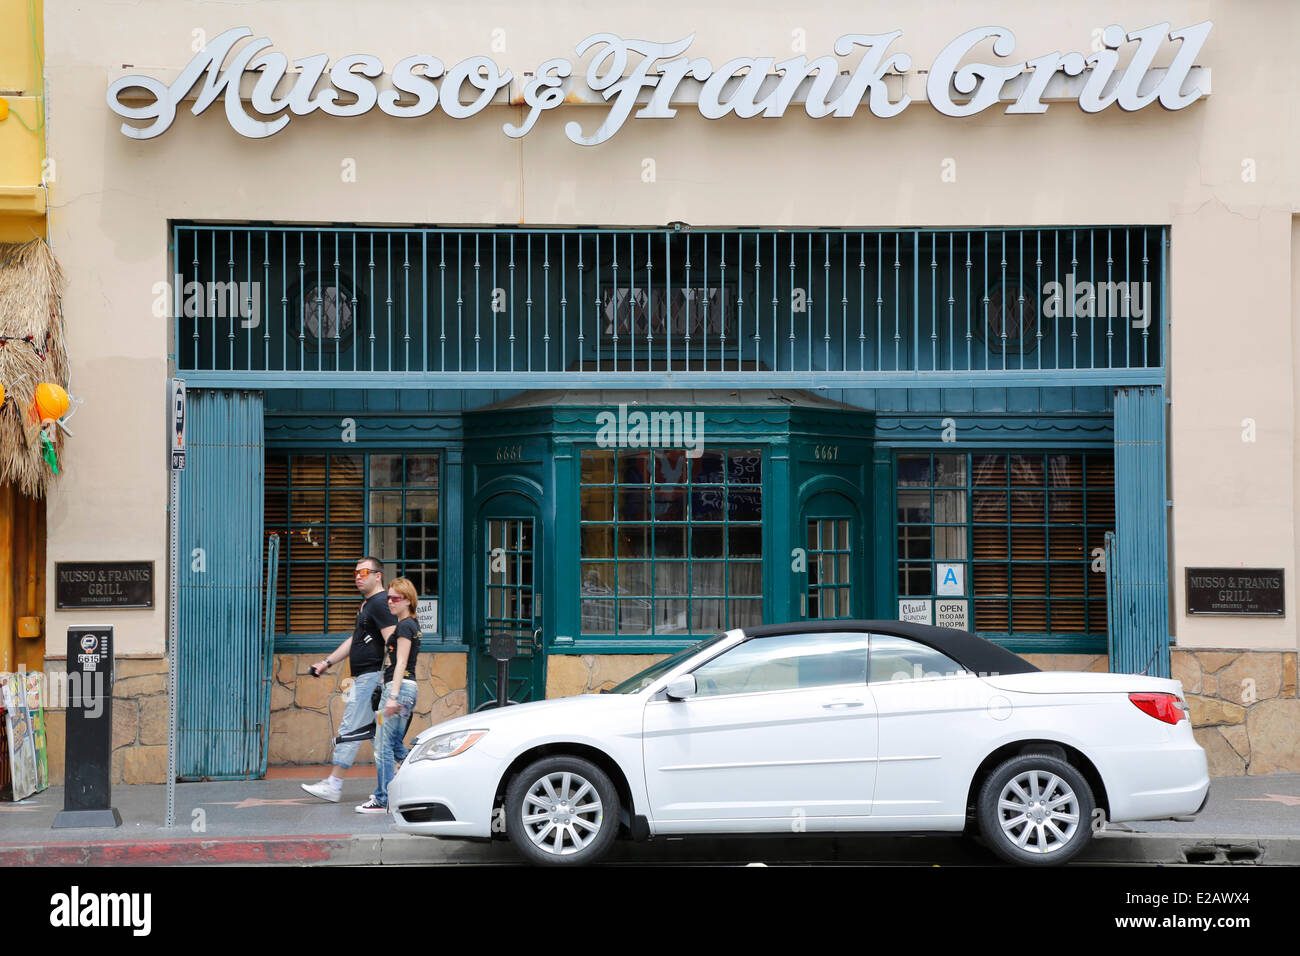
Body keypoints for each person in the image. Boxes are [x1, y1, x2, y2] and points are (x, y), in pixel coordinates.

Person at [301, 556, 397, 802]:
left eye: (364, 572)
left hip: (371, 678)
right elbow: (355, 640)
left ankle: (334, 784)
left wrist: (388, 678)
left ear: (378, 575)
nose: (358, 576)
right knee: (379, 738)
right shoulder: (368, 605)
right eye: (356, 572)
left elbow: (393, 640)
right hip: (370, 677)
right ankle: (397, 785)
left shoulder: (379, 604)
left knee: (351, 730)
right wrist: (327, 662)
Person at [355, 576, 422, 813]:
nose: (390, 602)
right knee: (393, 744)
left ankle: (384, 798)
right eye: (389, 597)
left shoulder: (405, 626)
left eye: (396, 598)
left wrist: (391, 696)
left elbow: (401, 661)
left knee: (382, 745)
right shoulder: (410, 624)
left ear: (408, 600)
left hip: (398, 691)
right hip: (404, 690)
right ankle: (419, 776)